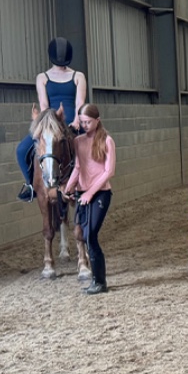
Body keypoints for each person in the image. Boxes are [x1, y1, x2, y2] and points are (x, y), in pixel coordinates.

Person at [17, 38, 88, 201]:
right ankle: (31, 185)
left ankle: (90, 183)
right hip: (50, 123)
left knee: (90, 149)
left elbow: (80, 102)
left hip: (72, 123)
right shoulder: (42, 77)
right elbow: (43, 104)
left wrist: (77, 120)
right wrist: (47, 126)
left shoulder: (78, 76)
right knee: (21, 150)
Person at [65, 104, 115, 292]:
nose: (85, 125)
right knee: (84, 236)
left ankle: (100, 282)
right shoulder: (78, 141)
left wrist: (90, 192)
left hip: (100, 193)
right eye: (82, 122)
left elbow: (109, 171)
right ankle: (96, 280)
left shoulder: (107, 141)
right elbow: (78, 167)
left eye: (88, 122)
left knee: (90, 236)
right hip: (82, 194)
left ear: (97, 121)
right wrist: (69, 186)